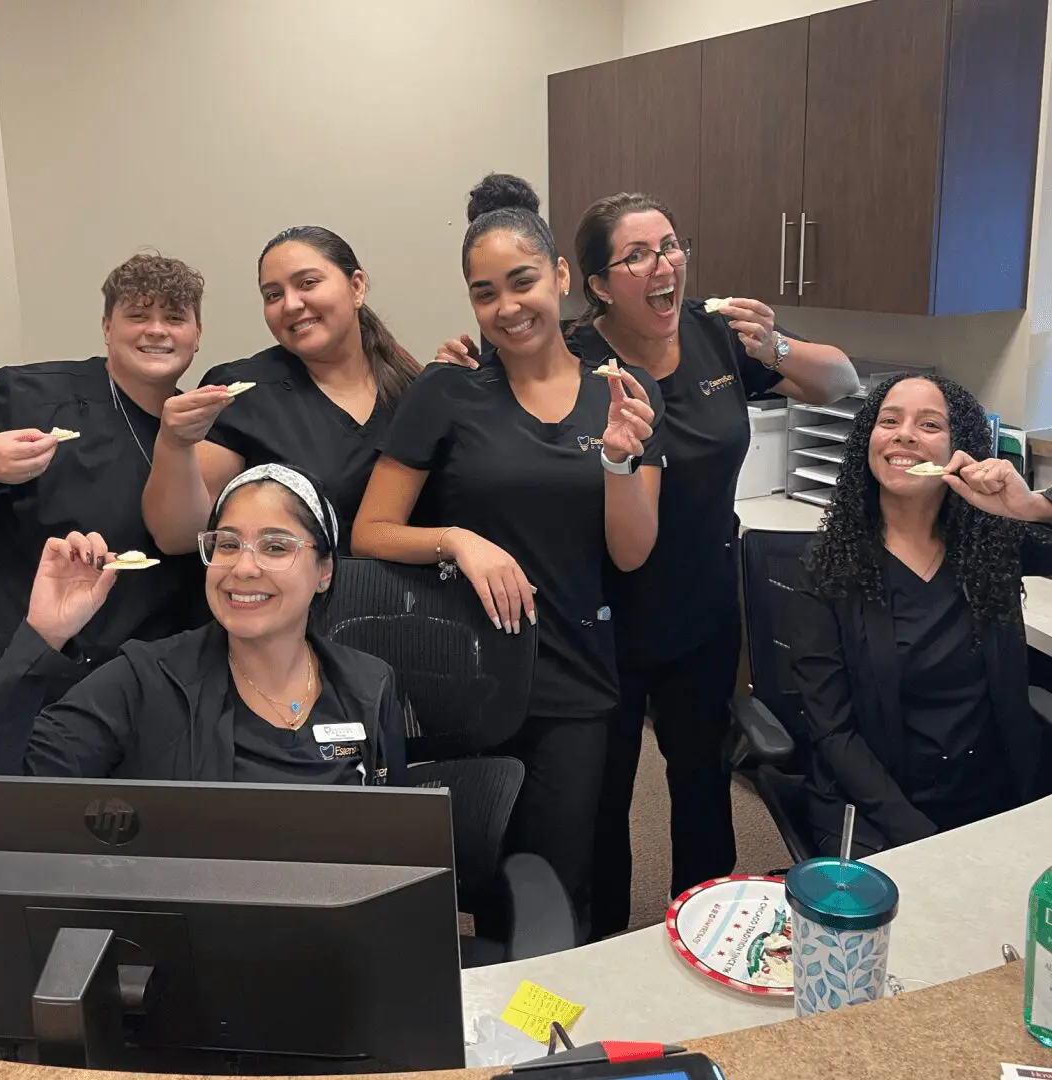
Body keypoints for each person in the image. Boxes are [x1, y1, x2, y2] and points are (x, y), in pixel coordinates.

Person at [436, 191, 858, 938]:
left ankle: (708, 931)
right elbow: (490, 391)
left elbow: (840, 384)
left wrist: (779, 349)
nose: (662, 266)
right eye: (636, 256)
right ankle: (605, 944)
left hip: (704, 610)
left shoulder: (715, 334)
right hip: (604, 618)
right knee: (603, 800)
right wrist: (463, 360)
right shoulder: (571, 355)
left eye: (669, 246)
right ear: (595, 283)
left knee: (702, 787)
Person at [352, 174, 663, 933]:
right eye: (484, 292)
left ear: (559, 276)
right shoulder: (448, 394)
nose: (507, 306)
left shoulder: (623, 392)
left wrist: (621, 461)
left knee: (558, 879)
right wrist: (459, 539)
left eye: (522, 281)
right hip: (471, 672)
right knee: (484, 877)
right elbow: (371, 532)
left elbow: (630, 554)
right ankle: (489, 1032)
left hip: (575, 678)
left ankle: (551, 1036)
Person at [0, 463, 405, 784]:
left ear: (324, 571)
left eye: (275, 547)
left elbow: (397, 845)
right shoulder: (144, 679)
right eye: (228, 544)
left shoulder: (368, 684)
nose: (244, 568)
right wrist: (43, 634)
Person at [790, 373, 1052, 857]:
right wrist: (924, 841)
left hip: (991, 797)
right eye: (889, 420)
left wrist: (1033, 507)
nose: (905, 433)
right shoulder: (830, 567)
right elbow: (834, 730)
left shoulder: (992, 546)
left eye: (929, 424)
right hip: (878, 809)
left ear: (961, 449)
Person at [0, 253, 209, 688]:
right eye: (138, 315)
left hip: (143, 682)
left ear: (197, 335)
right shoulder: (27, 396)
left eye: (174, 317)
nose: (156, 329)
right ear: (106, 327)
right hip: (14, 670)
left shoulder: (207, 433)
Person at [143, 226, 422, 556]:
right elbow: (178, 536)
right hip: (297, 604)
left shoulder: (413, 391)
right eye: (273, 295)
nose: (290, 304)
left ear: (357, 287)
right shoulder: (241, 393)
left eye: (307, 283)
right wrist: (174, 445)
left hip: (417, 601)